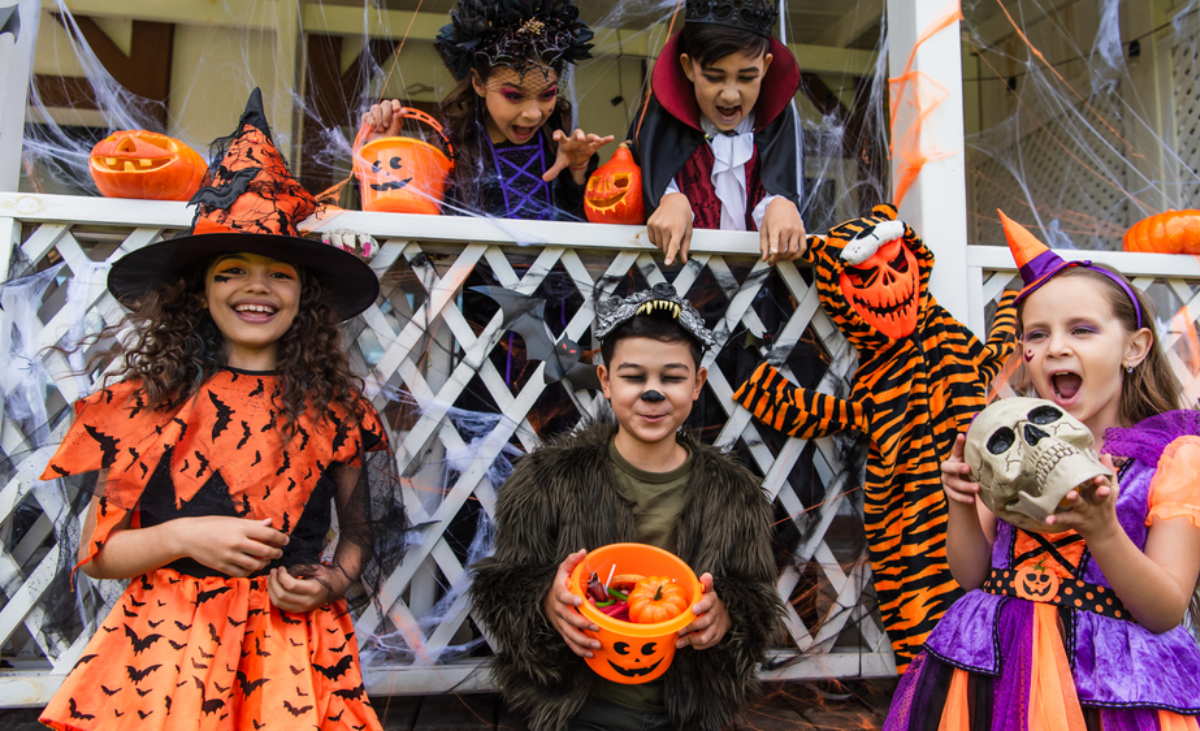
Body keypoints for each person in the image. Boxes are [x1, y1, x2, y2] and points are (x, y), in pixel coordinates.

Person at [38, 89, 405, 731]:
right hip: (167, 649)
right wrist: (184, 537)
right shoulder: (144, 405)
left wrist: (329, 583)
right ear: (199, 292)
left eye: (279, 274)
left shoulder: (337, 411)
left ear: (306, 297)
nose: (256, 287)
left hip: (290, 651)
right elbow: (98, 554)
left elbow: (360, 537)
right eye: (232, 270)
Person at [883, 212, 1200, 730]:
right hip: (994, 661)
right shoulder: (1012, 443)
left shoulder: (1179, 458)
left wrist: (1103, 529)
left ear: (1135, 347)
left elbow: (1164, 610)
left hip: (1111, 685)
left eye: (1081, 330)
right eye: (1037, 334)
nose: (1056, 347)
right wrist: (963, 505)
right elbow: (973, 575)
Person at [468, 283, 782, 731]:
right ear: (606, 381)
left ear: (698, 384)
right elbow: (502, 586)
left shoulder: (736, 496)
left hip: (686, 713)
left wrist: (728, 614)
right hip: (577, 709)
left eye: (671, 378)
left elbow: (758, 600)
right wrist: (545, 600)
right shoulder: (547, 482)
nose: (652, 394)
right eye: (635, 377)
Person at [363, 0, 613, 221]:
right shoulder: (451, 148)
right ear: (479, 83)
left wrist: (578, 171)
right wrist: (380, 156)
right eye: (514, 96)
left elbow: (581, 224)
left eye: (547, 94)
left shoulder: (559, 142)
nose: (533, 113)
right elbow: (404, 222)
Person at [628, 0, 806, 266]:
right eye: (714, 77)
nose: (730, 94)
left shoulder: (779, 123)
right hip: (675, 293)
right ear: (688, 67)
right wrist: (668, 198)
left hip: (758, 298)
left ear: (766, 67)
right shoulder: (658, 122)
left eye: (746, 78)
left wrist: (782, 205)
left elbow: (783, 189)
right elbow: (636, 192)